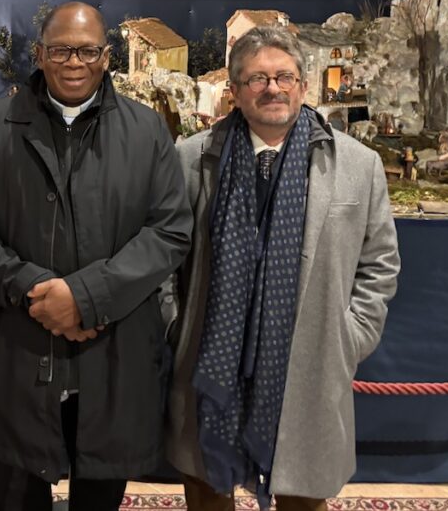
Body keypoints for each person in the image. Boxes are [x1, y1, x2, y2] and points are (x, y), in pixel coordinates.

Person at [0, 1, 193, 511]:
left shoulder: (146, 131)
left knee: (99, 495)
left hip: (111, 351)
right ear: (39, 55)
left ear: (107, 56)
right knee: (17, 495)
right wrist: (33, 290)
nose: (74, 62)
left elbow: (168, 230)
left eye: (87, 51)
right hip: (17, 345)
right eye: (60, 50)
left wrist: (85, 297)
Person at [166, 26, 401, 511]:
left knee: (302, 496)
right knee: (208, 490)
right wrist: (175, 327)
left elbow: (379, 263)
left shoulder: (358, 165)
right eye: (257, 79)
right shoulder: (191, 159)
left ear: (303, 85)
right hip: (214, 360)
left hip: (308, 363)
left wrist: (349, 338)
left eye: (284, 77)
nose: (272, 88)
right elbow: (164, 256)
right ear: (234, 91)